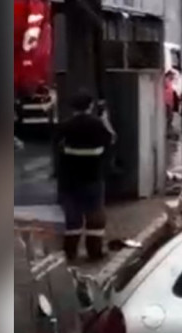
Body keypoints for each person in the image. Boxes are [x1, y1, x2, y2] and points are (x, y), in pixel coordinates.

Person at [56, 90, 115, 261]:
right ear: (90, 106)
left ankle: (70, 252)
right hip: (93, 177)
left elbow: (57, 149)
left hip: (69, 180)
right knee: (95, 215)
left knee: (72, 218)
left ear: (72, 108)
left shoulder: (65, 126)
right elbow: (111, 139)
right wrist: (104, 119)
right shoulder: (98, 125)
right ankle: (94, 252)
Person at [163, 70, 177, 137]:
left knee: (170, 117)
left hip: (170, 102)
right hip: (167, 103)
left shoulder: (170, 82)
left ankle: (169, 131)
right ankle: (167, 131)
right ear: (169, 75)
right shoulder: (166, 81)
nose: (173, 77)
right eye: (172, 75)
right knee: (168, 118)